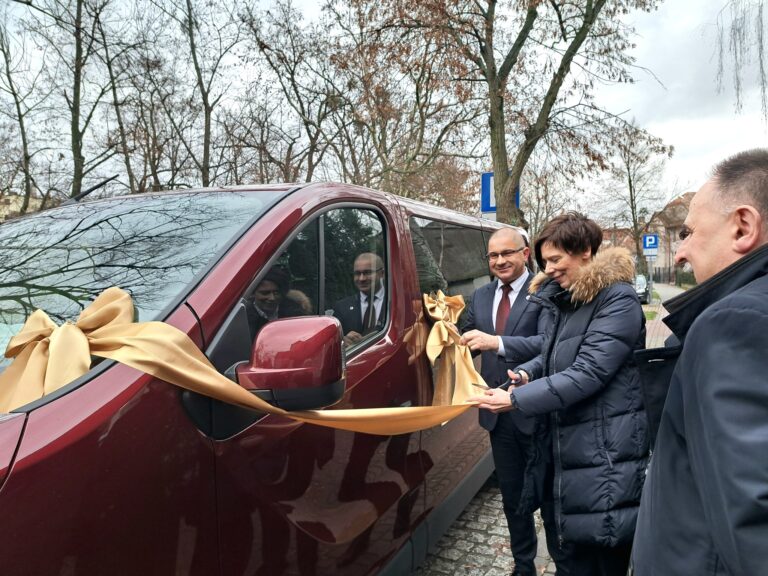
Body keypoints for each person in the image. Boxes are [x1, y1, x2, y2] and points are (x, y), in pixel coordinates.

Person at [469, 212, 649, 576]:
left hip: (604, 447)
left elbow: (588, 371)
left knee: (601, 546)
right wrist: (525, 373)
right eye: (545, 261)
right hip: (565, 443)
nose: (548, 269)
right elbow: (550, 354)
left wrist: (516, 399)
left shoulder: (617, 300)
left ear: (584, 251)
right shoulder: (563, 299)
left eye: (555, 260)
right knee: (567, 544)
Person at [631, 149, 768, 576]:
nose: (682, 252)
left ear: (743, 226)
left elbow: (754, 522)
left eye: (689, 232)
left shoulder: (736, 321)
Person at [459, 228, 561, 576]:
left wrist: (497, 342)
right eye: (492, 256)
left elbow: (551, 343)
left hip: (538, 411)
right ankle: (523, 565)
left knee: (549, 497)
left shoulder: (547, 290)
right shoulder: (481, 295)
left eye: (507, 253)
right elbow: (463, 335)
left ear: (526, 253)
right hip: (498, 417)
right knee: (512, 497)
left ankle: (562, 561)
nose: (499, 261)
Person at [333, 252, 385, 346]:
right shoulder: (341, 307)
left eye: (367, 272)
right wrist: (343, 341)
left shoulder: (397, 302)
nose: (361, 279)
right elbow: (333, 341)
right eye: (357, 273)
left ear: (382, 273)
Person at [246, 267, 309, 339]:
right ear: (253, 293)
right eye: (265, 293)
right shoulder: (243, 318)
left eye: (276, 293)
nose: (272, 298)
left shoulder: (295, 314)